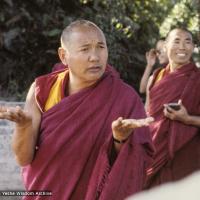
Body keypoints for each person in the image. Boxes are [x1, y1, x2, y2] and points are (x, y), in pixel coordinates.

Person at [0, 20, 154, 200]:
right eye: (85, 49)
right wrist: (24, 127)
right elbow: (23, 159)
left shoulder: (125, 98)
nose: (95, 57)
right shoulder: (43, 90)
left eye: (100, 47)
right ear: (64, 56)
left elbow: (137, 163)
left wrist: (120, 139)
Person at [144, 28, 200, 188]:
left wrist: (187, 119)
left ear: (193, 47)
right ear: (165, 46)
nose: (182, 47)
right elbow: (147, 112)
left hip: (187, 157)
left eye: (188, 42)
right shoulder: (155, 77)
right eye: (176, 41)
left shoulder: (197, 79)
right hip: (153, 151)